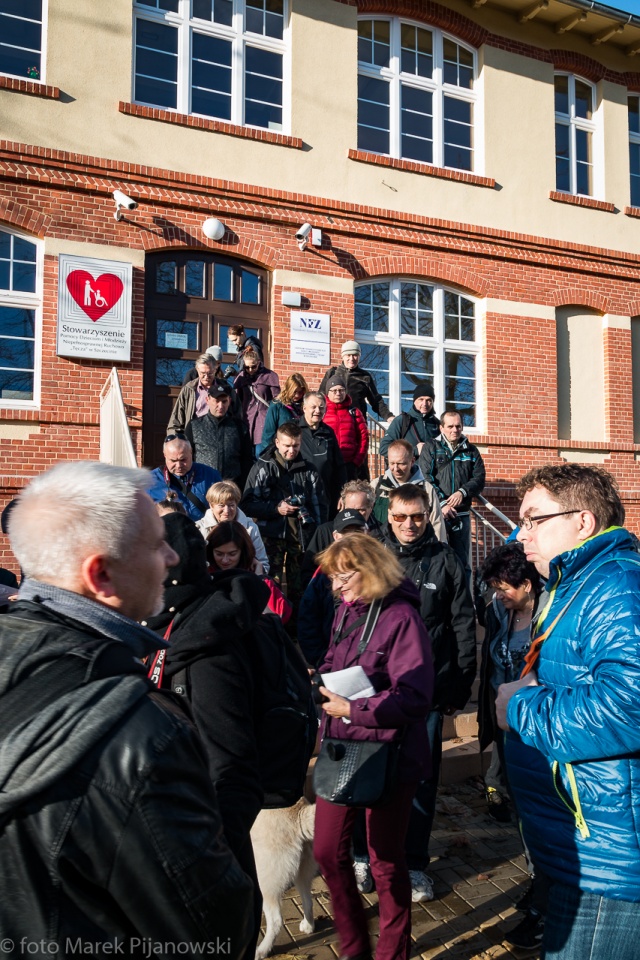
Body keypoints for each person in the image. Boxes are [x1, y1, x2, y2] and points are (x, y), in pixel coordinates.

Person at [0, 462, 253, 955]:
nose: (170, 556)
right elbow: (217, 931)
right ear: (102, 575)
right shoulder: (145, 736)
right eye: (156, 543)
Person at [147, 512, 314, 957]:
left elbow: (232, 773)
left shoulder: (204, 651)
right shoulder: (173, 628)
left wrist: (198, 863)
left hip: (209, 873)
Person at [495, 464, 640, 960]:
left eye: (535, 519)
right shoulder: (575, 583)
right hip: (576, 840)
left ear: (583, 521)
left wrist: (520, 708)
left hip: (609, 855)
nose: (521, 535)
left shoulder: (615, 585)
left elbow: (629, 706)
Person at [351, 482, 475, 903]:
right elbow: (347, 614)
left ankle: (415, 862)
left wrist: (459, 684)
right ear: (389, 515)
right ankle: (361, 856)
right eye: (401, 517)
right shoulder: (371, 556)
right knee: (367, 774)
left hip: (427, 694)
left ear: (428, 516)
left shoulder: (447, 561)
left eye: (418, 517)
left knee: (420, 781)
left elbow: (462, 624)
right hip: (375, 692)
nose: (409, 524)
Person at [313, 534, 433, 960]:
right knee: (327, 851)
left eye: (343, 576)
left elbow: (416, 696)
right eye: (332, 577)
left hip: (388, 754)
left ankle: (392, 952)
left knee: (384, 861)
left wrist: (355, 707)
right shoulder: (346, 610)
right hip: (343, 750)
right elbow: (334, 661)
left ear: (371, 570)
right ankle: (354, 947)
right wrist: (320, 679)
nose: (336, 586)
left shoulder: (401, 617)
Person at [477, 541, 546, 950]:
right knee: (521, 812)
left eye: (504, 586)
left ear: (526, 583)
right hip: (507, 731)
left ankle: (546, 902)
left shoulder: (549, 614)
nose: (498, 594)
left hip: (538, 732)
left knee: (542, 815)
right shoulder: (497, 612)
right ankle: (538, 882)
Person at [241, 421, 323, 623]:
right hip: (271, 537)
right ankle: (274, 629)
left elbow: (319, 504)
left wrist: (316, 534)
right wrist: (276, 509)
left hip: (301, 538)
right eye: (287, 445)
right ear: (277, 442)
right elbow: (247, 504)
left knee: (301, 589)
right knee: (272, 587)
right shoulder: (262, 467)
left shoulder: (310, 470)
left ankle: (297, 633)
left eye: (295, 445)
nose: (291, 450)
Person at [298, 508, 369, 667]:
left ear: (366, 533)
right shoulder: (322, 576)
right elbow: (308, 622)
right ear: (336, 537)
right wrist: (321, 661)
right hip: (331, 660)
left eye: (357, 531)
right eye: (346, 533)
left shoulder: (381, 572)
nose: (352, 538)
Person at [419, 411, 486, 580]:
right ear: (442, 428)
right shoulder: (431, 447)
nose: (454, 430)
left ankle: (463, 603)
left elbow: (479, 478)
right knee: (434, 559)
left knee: (462, 563)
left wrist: (462, 492)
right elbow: (426, 477)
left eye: (458, 426)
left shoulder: (471, 450)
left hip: (461, 514)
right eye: (450, 426)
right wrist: (442, 503)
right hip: (437, 514)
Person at [300, 479, 380, 587]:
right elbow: (309, 572)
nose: (354, 515)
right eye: (350, 509)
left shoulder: (381, 534)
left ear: (371, 507)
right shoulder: (325, 531)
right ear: (342, 505)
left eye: (361, 510)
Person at [371, 438, 446, 542]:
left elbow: (437, 525)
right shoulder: (376, 486)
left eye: (401, 463)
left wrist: (439, 552)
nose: (395, 468)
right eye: (392, 463)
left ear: (412, 461)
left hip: (416, 553)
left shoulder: (426, 489)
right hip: (382, 553)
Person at [185, 380, 253, 487]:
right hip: (202, 485)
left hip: (231, 487)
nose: (220, 406)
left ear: (229, 401)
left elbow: (246, 459)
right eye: (217, 401)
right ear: (207, 400)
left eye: (224, 401)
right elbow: (187, 456)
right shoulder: (194, 426)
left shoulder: (240, 427)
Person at [197, 479, 269, 573]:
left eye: (231, 505)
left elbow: (263, 563)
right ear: (211, 505)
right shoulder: (199, 528)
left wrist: (257, 573)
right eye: (221, 505)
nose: (227, 511)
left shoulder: (250, 528)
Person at [319, 340, 395, 426]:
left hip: (356, 424)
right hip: (333, 422)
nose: (351, 359)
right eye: (348, 355)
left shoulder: (365, 377)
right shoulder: (332, 373)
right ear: (342, 356)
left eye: (355, 355)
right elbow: (321, 397)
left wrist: (388, 416)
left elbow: (376, 401)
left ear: (359, 357)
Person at [297, 391, 346, 521]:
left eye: (321, 407)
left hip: (325, 496)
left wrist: (342, 493)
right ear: (304, 408)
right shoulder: (293, 429)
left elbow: (339, 466)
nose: (318, 411)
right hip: (300, 494)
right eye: (313, 407)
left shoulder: (328, 433)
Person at [148, 436, 221, 521]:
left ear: (191, 453)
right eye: (173, 461)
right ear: (164, 455)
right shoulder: (150, 481)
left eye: (183, 460)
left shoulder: (210, 475)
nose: (179, 466)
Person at [322, 376, 369, 482]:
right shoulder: (322, 412)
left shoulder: (354, 412)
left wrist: (356, 461)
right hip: (328, 465)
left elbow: (364, 437)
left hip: (348, 466)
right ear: (328, 393)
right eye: (334, 390)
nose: (338, 393)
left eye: (341, 390)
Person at [234, 349, 280, 452]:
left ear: (259, 362)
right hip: (247, 422)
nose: (250, 370)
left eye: (253, 366)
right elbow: (238, 400)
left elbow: (277, 401)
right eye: (247, 367)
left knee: (261, 454)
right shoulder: (241, 377)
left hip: (264, 421)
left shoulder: (270, 376)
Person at [380, 383, 440, 460]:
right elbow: (384, 449)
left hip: (432, 471)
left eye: (428, 400)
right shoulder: (402, 420)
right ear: (414, 401)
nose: (425, 404)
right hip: (408, 471)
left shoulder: (437, 424)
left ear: (432, 402)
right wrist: (414, 451)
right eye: (421, 399)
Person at [167, 353, 219, 434]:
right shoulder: (189, 389)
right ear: (197, 370)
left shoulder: (225, 388)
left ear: (215, 370)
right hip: (195, 437)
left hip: (217, 437)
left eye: (210, 373)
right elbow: (176, 421)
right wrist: (175, 440)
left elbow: (236, 416)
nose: (206, 377)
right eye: (203, 373)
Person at [259, 373, 308, 454]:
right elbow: (268, 434)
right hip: (282, 451)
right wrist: (268, 454)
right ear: (288, 389)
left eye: (300, 392)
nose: (297, 395)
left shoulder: (305, 405)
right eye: (294, 392)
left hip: (301, 450)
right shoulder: (277, 406)